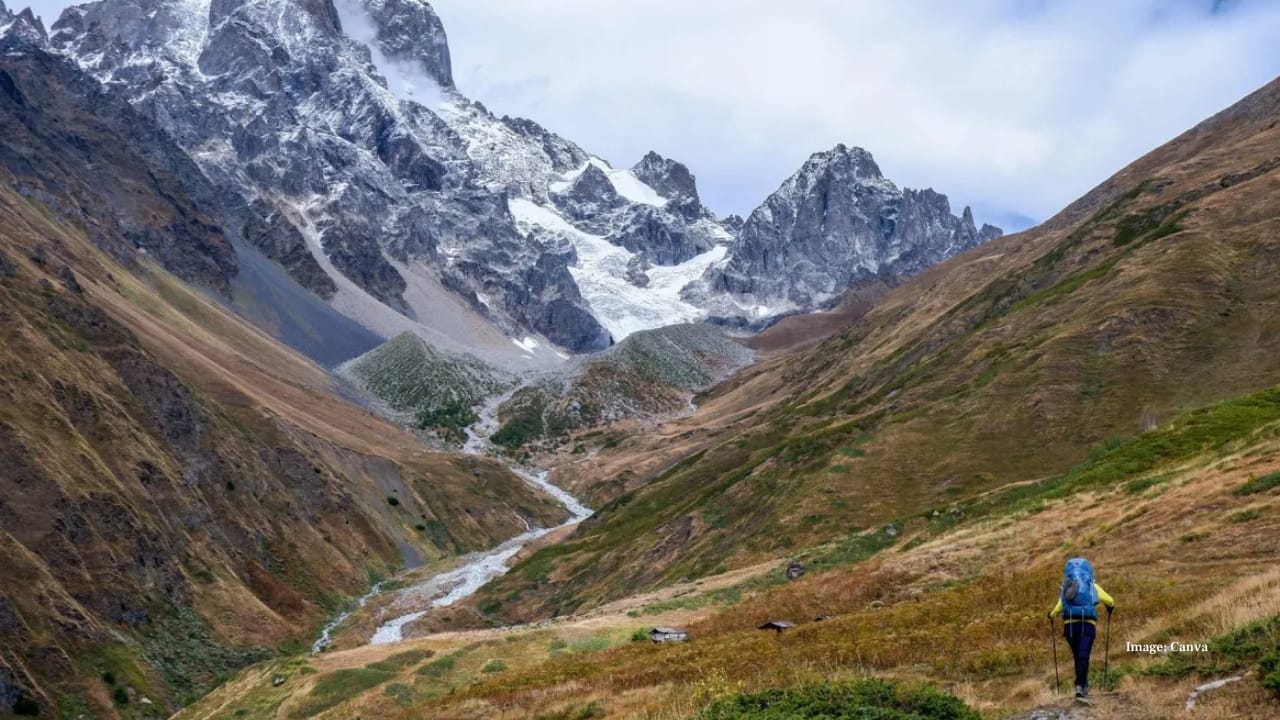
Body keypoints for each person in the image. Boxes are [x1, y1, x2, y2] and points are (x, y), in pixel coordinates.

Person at [1048, 557, 1115, 700]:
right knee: (1083, 655)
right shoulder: (1091, 585)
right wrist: (1110, 607)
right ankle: (1080, 686)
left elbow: (1059, 607)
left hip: (1070, 627)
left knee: (1078, 656)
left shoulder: (1066, 586)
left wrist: (1051, 615)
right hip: (1087, 625)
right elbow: (1110, 600)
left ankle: (1082, 685)